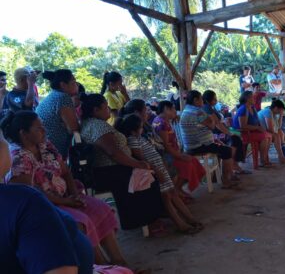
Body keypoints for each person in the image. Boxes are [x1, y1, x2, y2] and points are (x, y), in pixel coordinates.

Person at [1, 110, 127, 267]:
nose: (44, 130)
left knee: (101, 208)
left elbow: (66, 172)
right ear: (24, 134)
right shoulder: (18, 158)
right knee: (82, 223)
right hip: (45, 205)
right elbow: (32, 194)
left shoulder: (46, 146)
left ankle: (119, 263)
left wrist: (75, 195)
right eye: (38, 128)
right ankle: (99, 267)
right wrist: (65, 201)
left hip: (65, 197)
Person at [80, 94, 164, 232]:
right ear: (96, 110)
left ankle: (151, 218)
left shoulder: (91, 124)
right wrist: (138, 164)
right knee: (147, 177)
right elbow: (114, 153)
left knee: (147, 173)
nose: (109, 109)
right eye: (105, 107)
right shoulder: (98, 127)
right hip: (110, 170)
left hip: (111, 168)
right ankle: (148, 221)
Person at [115, 114, 203, 235]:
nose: (142, 129)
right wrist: (157, 171)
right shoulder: (133, 140)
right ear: (133, 130)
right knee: (167, 198)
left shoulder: (140, 138)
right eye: (140, 127)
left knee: (173, 194)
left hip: (160, 168)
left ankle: (190, 219)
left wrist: (162, 166)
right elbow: (142, 160)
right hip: (156, 171)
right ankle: (181, 224)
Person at [179, 90, 237, 189]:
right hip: (199, 145)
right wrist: (212, 120)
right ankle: (226, 180)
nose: (203, 101)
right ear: (195, 100)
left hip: (190, 145)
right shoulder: (198, 112)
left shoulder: (186, 110)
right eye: (201, 98)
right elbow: (211, 126)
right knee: (228, 151)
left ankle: (219, 176)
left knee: (221, 146)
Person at [152, 101, 206, 196]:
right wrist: (181, 156)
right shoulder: (161, 124)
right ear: (166, 109)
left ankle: (179, 189)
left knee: (193, 161)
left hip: (173, 153)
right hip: (167, 157)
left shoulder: (164, 121)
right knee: (188, 164)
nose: (175, 111)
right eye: (172, 109)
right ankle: (176, 190)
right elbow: (166, 146)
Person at [202, 90, 248, 176]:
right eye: (214, 99)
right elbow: (217, 124)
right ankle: (232, 167)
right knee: (234, 139)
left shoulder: (210, 107)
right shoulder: (207, 108)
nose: (216, 100)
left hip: (219, 131)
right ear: (209, 99)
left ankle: (234, 164)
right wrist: (229, 133)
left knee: (238, 136)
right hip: (215, 133)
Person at [36, 70, 80, 159]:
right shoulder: (63, 98)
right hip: (54, 150)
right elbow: (74, 129)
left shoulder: (53, 95)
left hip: (44, 148)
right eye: (74, 82)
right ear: (63, 85)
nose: (77, 85)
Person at [232, 91, 270, 168]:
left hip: (251, 131)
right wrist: (257, 128)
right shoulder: (243, 109)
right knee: (265, 137)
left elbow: (257, 122)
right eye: (252, 97)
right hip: (243, 133)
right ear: (247, 99)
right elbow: (242, 126)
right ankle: (262, 160)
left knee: (268, 136)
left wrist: (260, 128)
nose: (254, 98)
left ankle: (264, 159)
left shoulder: (252, 107)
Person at [258, 99, 285, 164]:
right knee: (276, 135)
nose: (281, 111)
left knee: (280, 132)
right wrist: (276, 133)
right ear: (276, 108)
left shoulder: (273, 114)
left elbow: (278, 127)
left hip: (264, 132)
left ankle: (282, 156)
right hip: (259, 132)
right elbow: (270, 129)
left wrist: (281, 116)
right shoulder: (268, 112)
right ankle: (281, 157)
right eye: (281, 109)